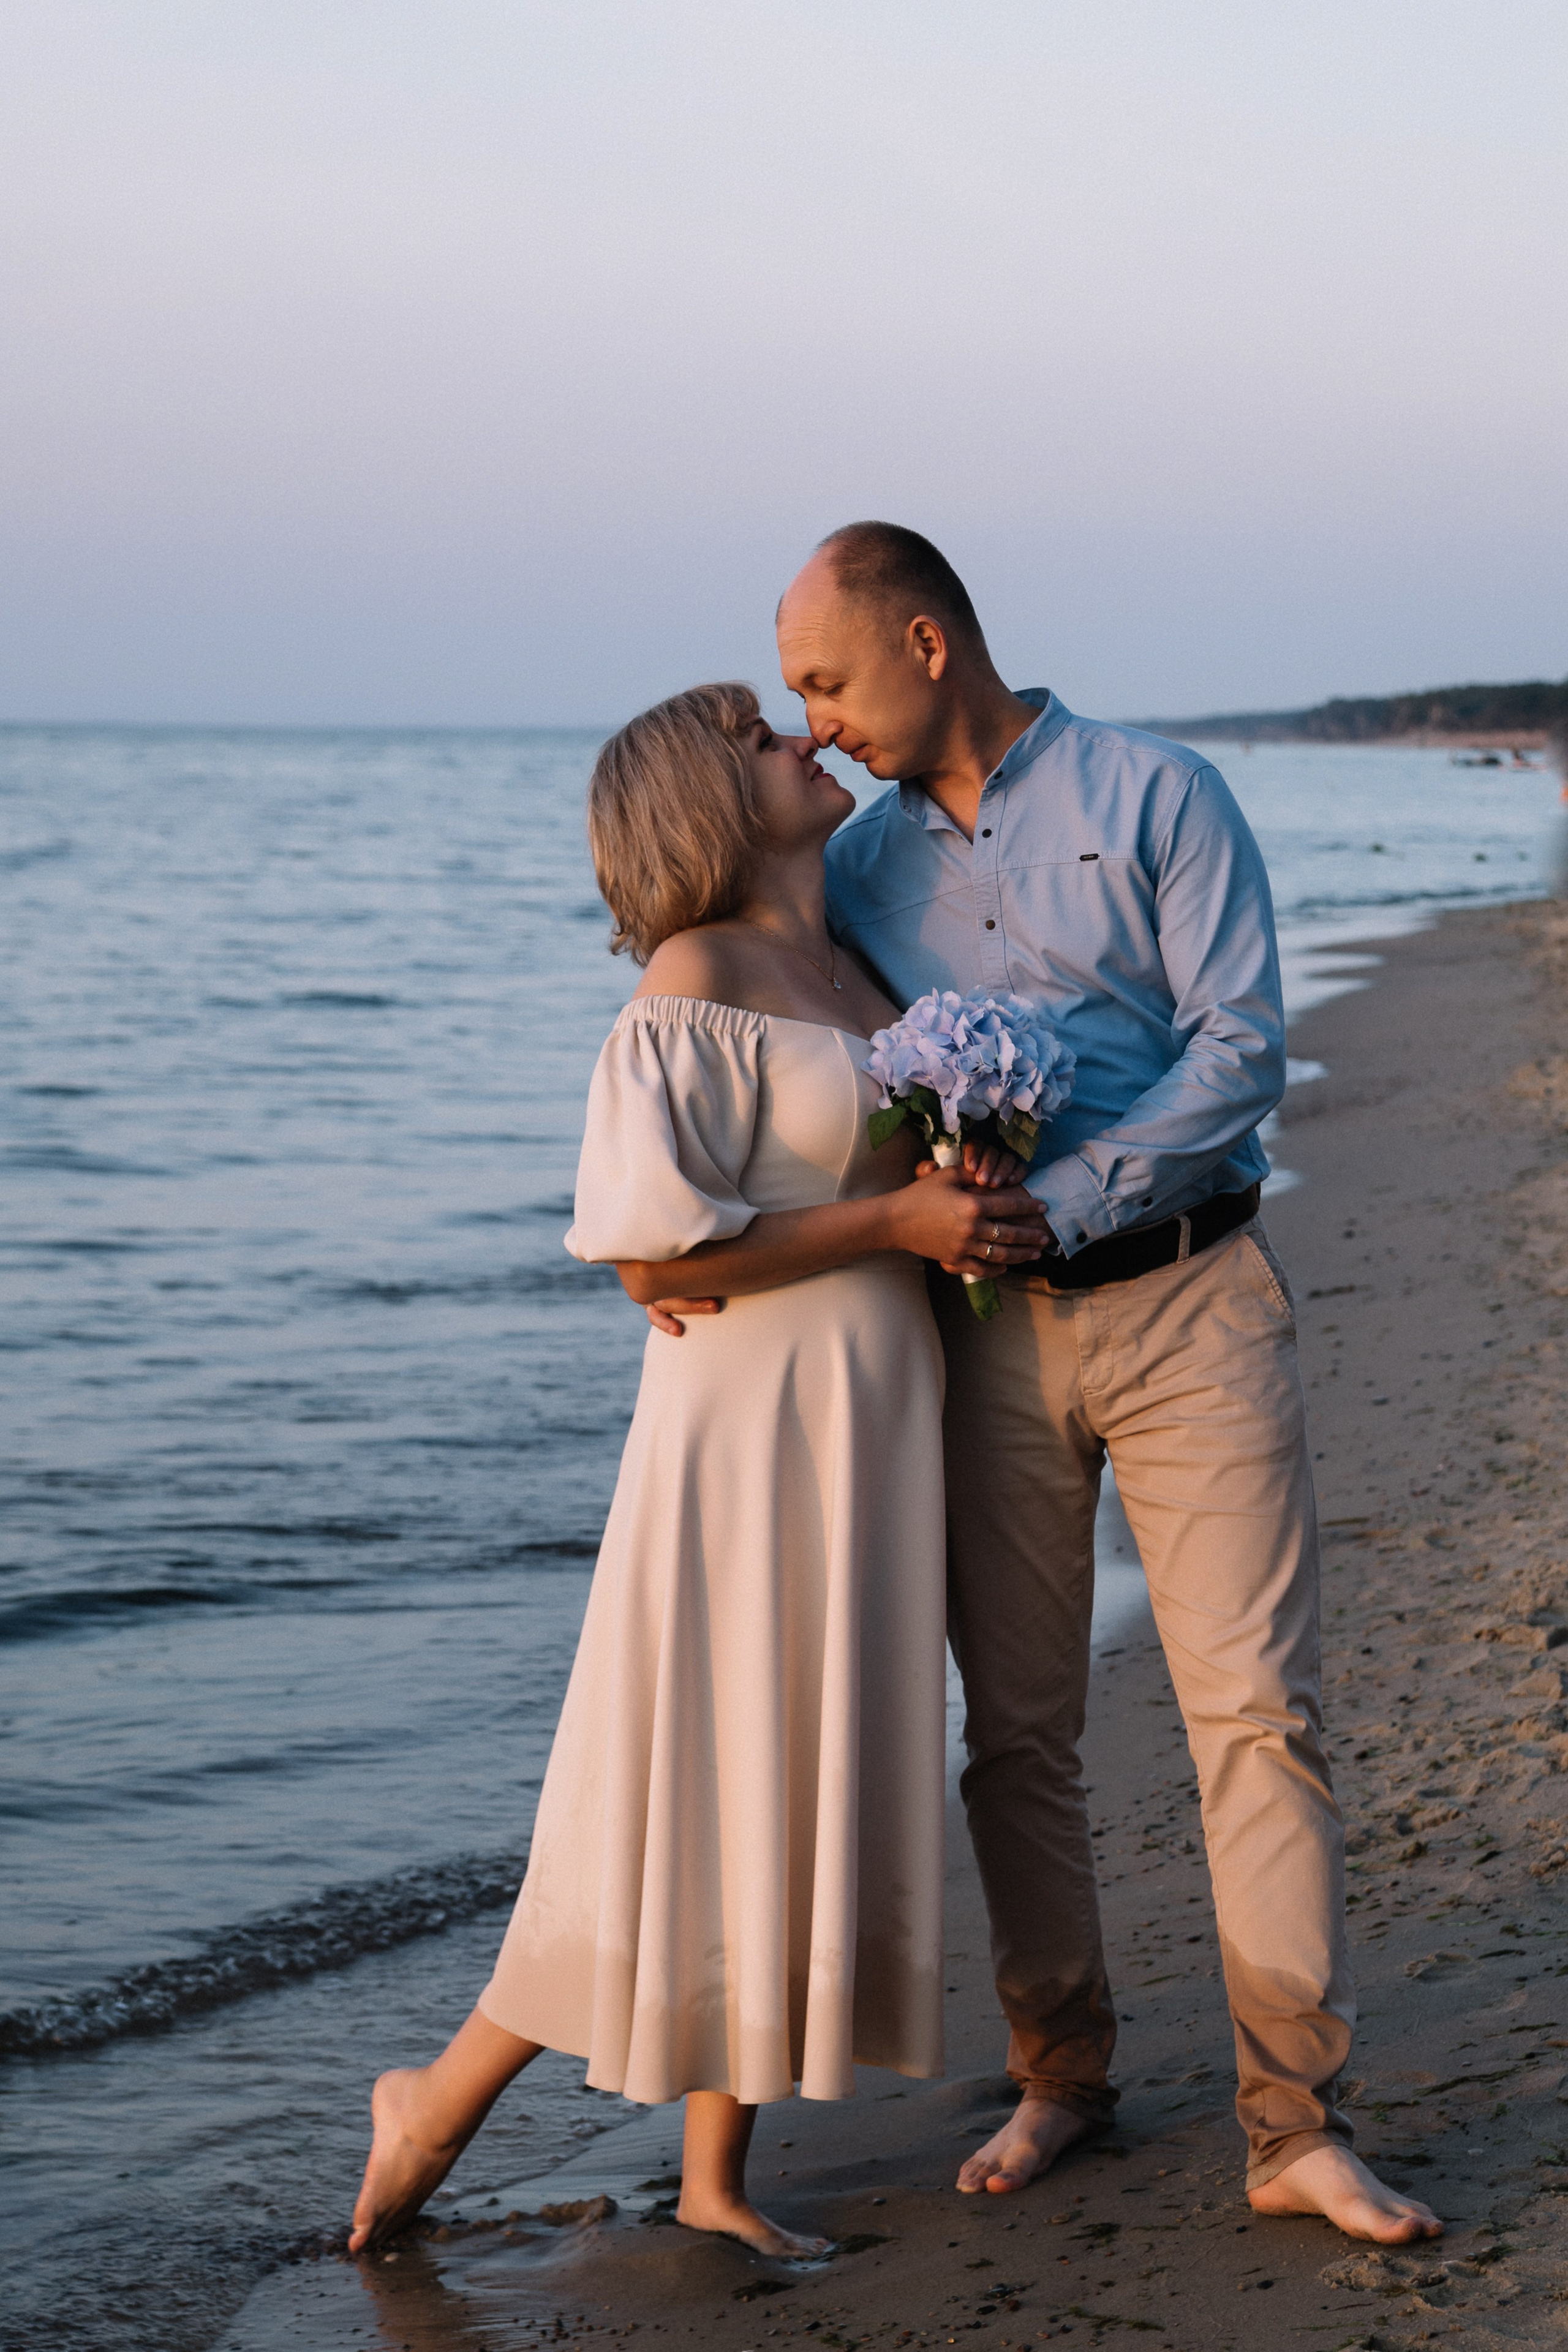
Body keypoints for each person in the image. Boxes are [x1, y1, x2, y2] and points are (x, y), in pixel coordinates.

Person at [651, 525, 1441, 2247]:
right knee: (1015, 1735)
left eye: (828, 680)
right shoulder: (850, 870)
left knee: (1257, 1718)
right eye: (795, 695)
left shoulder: (1160, 797)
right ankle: (1063, 2071)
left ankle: (1296, 2120)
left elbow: (1242, 1052)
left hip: (1189, 1304)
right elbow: (748, 1020)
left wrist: (1065, 1204)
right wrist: (688, 1242)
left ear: (927, 645)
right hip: (980, 1346)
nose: (817, 721)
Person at [349, 682, 1046, 2258]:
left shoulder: (855, 965)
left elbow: (888, 1173)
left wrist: (963, 1181)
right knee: (692, 1771)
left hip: (873, 1413)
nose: (797, 739)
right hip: (747, 1431)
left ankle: (718, 2177)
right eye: (754, 736)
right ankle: (437, 2099)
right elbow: (649, 1247)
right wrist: (898, 1221)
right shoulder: (693, 974)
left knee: (779, 1768)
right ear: (702, 801)